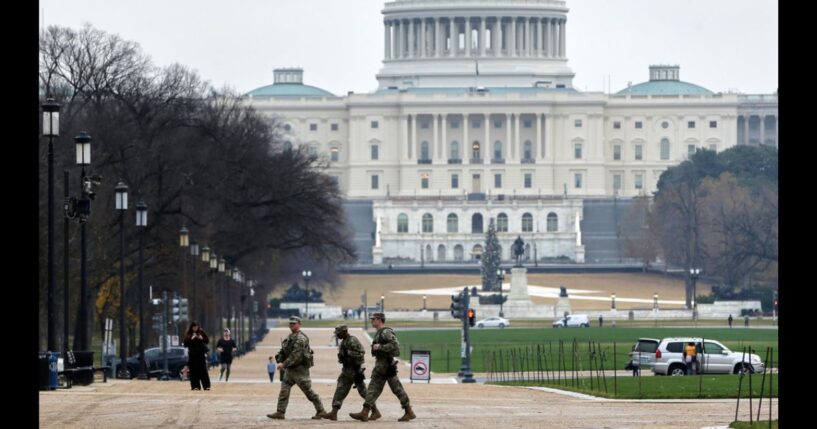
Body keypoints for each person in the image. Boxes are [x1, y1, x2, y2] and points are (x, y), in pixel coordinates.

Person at [350, 313, 415, 422]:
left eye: (373, 319)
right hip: (382, 366)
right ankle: (367, 412)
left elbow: (396, 347)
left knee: (392, 389)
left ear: (380, 320)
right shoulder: (379, 333)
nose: (371, 321)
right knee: (377, 388)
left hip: (386, 365)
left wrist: (380, 346)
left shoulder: (386, 332)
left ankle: (408, 411)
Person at [267, 316, 329, 420]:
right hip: (290, 370)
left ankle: (321, 410)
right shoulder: (290, 337)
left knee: (309, 392)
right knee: (284, 390)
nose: (291, 325)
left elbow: (296, 355)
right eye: (290, 323)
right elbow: (285, 351)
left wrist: (283, 364)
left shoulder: (301, 338)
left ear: (299, 324)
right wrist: (280, 358)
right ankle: (280, 412)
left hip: (300, 370)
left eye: (294, 323)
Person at [326, 325, 381, 421]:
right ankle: (334, 412)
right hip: (346, 371)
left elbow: (361, 352)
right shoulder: (344, 341)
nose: (337, 335)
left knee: (363, 391)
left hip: (355, 371)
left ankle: (375, 411)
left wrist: (348, 353)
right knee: (340, 389)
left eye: (339, 333)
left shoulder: (352, 340)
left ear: (344, 331)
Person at [183, 321, 211, 390]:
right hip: (192, 355)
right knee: (193, 371)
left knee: (203, 371)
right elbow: (185, 344)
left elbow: (207, 340)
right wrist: (191, 339)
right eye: (194, 327)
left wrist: (202, 338)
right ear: (191, 327)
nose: (195, 328)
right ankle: (195, 386)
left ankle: (206, 386)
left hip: (201, 355)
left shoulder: (201, 332)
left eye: (196, 327)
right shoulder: (189, 334)